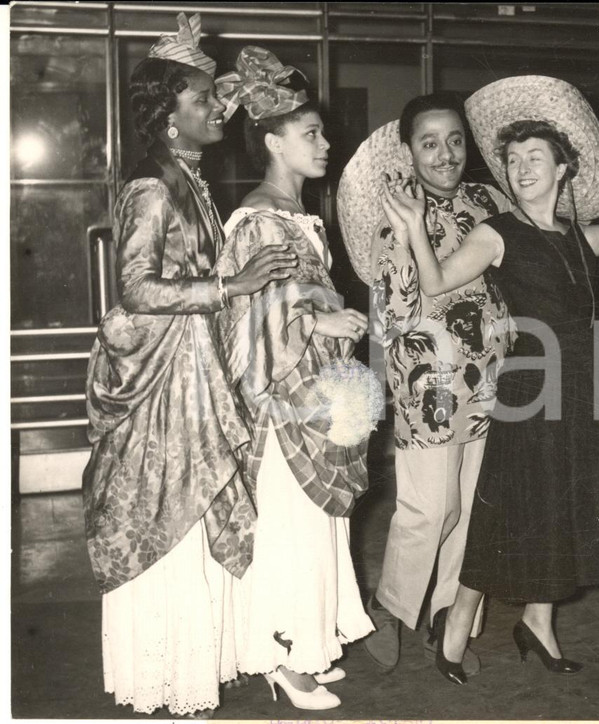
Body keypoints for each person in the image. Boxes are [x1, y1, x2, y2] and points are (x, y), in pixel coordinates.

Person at [380, 75, 599, 685]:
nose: (520, 169)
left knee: (560, 506)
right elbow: (436, 282)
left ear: (564, 169)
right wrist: (413, 228)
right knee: (503, 512)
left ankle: (538, 621)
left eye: (534, 158)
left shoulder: (576, 234)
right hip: (529, 388)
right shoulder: (498, 232)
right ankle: (454, 626)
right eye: (512, 161)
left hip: (582, 386)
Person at [82, 14, 297, 718]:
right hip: (162, 381)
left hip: (192, 365)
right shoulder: (152, 187)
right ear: (169, 118)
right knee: (170, 512)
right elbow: (135, 289)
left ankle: (189, 674)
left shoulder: (187, 178)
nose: (218, 108)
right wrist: (230, 287)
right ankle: (165, 678)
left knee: (195, 509)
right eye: (203, 100)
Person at [212, 46, 376, 710]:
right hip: (281, 405)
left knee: (315, 526)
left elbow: (293, 298)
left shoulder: (298, 217)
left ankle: (310, 642)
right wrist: (318, 322)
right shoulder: (259, 220)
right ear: (274, 143)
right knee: (289, 526)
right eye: (311, 133)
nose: (325, 143)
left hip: (316, 393)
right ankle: (280, 657)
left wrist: (329, 319)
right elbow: (244, 323)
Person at [336, 94, 514, 674]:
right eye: (429, 143)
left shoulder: (490, 201)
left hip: (492, 378)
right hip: (428, 385)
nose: (446, 154)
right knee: (430, 508)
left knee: (474, 507)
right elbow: (391, 315)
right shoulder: (397, 213)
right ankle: (389, 605)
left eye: (455, 140)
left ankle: (449, 615)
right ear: (409, 151)